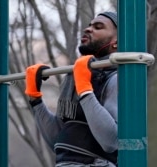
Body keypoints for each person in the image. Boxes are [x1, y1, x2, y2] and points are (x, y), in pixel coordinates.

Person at [25, 11, 118, 167]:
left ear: (116, 42)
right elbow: (58, 140)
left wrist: (85, 90)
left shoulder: (117, 78)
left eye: (98, 27)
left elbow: (111, 141)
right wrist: (35, 99)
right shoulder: (74, 77)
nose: (88, 29)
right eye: (89, 25)